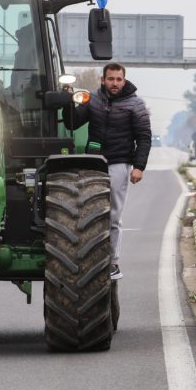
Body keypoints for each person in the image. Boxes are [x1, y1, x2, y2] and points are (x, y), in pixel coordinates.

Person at [67, 62, 152, 279]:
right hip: (93, 163)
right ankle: (88, 258)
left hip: (119, 163)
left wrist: (139, 167)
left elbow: (144, 137)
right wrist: (68, 101)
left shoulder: (135, 105)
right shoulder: (92, 100)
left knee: (113, 215)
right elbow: (72, 123)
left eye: (118, 79)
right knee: (87, 212)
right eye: (111, 79)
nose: (115, 83)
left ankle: (113, 262)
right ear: (102, 80)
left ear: (124, 81)